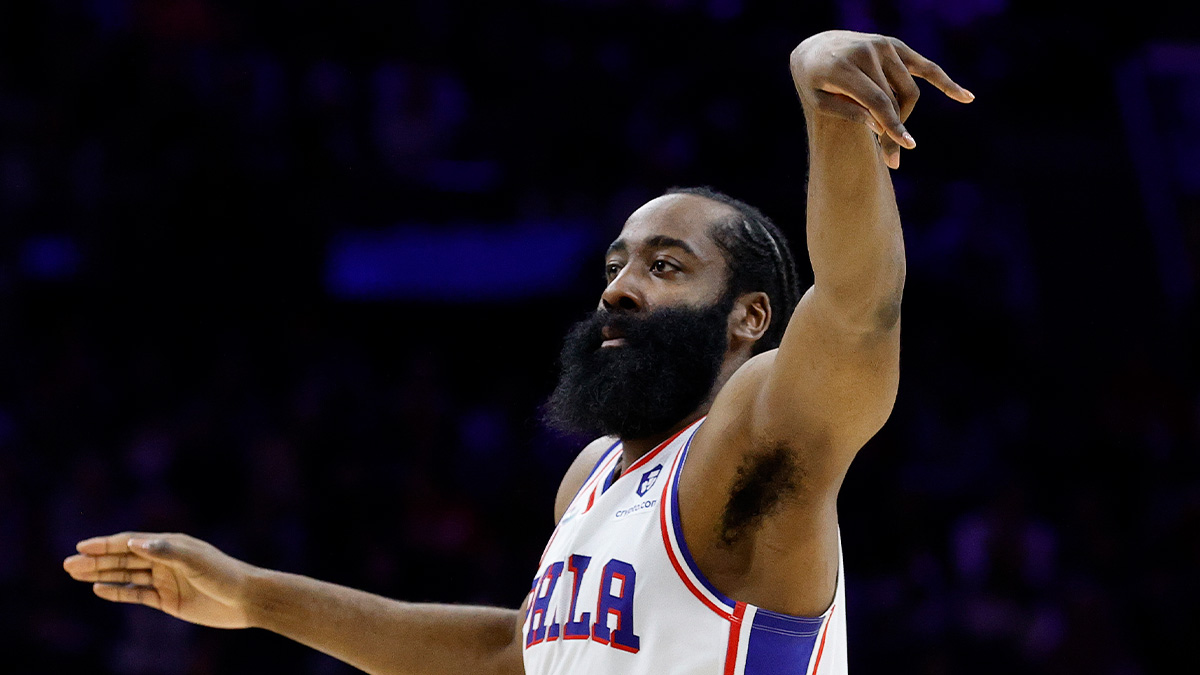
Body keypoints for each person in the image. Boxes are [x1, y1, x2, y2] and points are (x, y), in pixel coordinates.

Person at [64, 29, 972, 675]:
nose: (618, 288)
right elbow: (512, 652)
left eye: (665, 266)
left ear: (748, 316)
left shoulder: (755, 435)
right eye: (615, 265)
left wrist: (829, 100)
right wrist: (253, 595)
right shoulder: (592, 478)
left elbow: (856, 313)